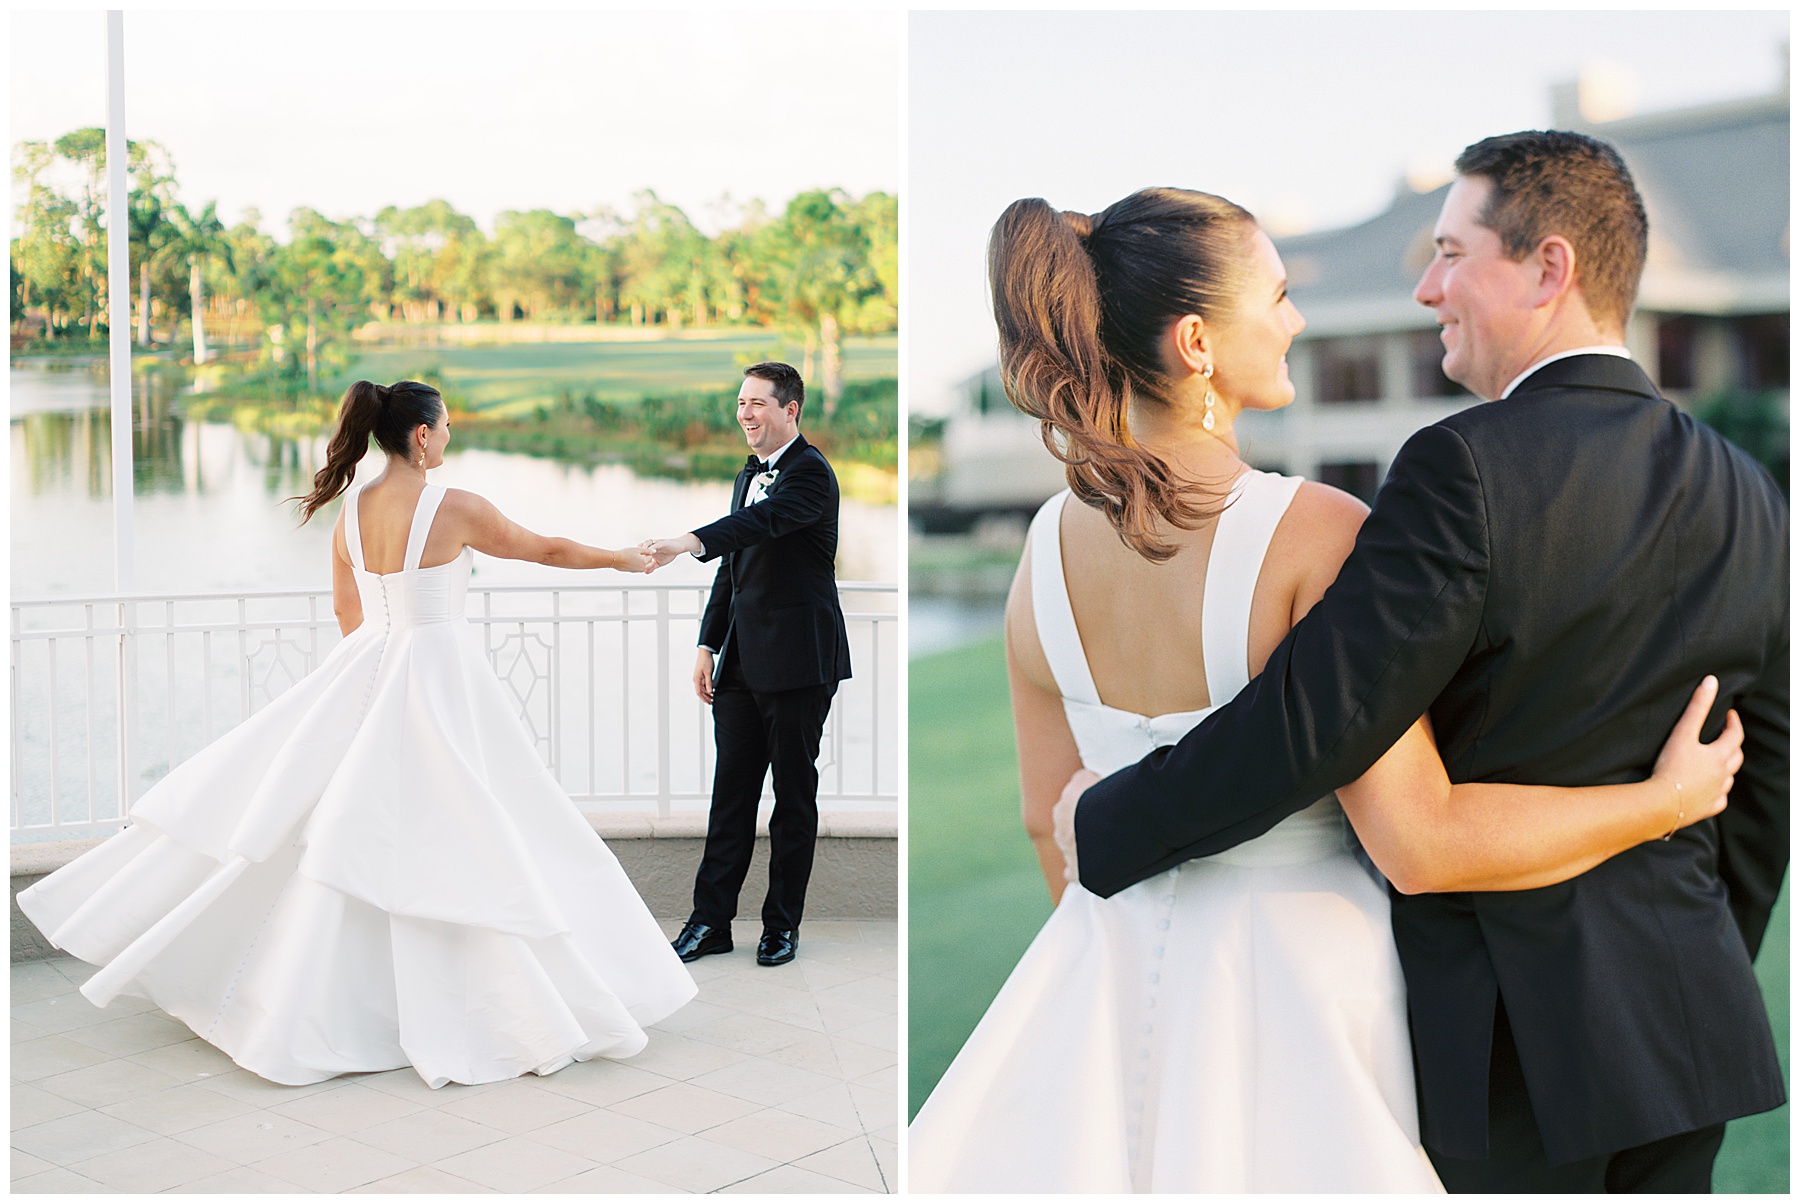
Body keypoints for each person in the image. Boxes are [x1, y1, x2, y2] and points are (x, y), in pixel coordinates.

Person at [906, 187, 1749, 1193]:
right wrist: (1668, 801)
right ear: (1197, 342)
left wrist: (1131, 985)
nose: (1296, 319)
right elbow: (1419, 832)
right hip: (1307, 985)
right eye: (1279, 295)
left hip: (1095, 973)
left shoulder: (1040, 552)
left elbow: (1051, 824)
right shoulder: (1320, 532)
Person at [17, 379, 698, 1088]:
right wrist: (624, 557)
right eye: (446, 426)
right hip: (439, 676)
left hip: (367, 668)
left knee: (346, 831)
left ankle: (322, 1002)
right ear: (424, 436)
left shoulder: (349, 511)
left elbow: (348, 613)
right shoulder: (454, 504)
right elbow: (548, 550)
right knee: (473, 825)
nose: (449, 436)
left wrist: (369, 692)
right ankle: (482, 1003)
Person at [642, 362, 852, 968]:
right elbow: (734, 568)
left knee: (793, 797)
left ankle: (780, 925)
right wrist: (708, 646)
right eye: (741, 402)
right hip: (739, 663)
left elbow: (760, 523)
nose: (746, 414)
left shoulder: (811, 474)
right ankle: (709, 922)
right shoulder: (746, 474)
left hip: (799, 661)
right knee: (729, 797)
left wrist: (688, 540)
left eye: (759, 403)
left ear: (791, 411)